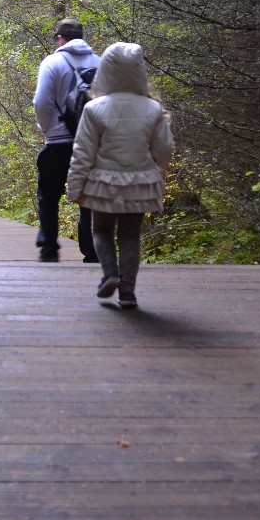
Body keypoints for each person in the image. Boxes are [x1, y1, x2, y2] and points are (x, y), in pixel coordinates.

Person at [66, 42, 175, 309]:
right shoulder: (151, 108)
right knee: (130, 236)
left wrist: (74, 187)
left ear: (105, 71)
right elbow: (165, 149)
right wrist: (157, 172)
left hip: (103, 184)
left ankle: (109, 273)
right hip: (139, 183)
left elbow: (83, 154)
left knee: (101, 229)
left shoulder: (94, 108)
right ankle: (128, 292)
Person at [32, 17, 100, 263]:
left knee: (48, 195)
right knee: (89, 196)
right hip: (91, 141)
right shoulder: (100, 62)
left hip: (58, 141)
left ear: (60, 39)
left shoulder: (52, 62)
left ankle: (50, 248)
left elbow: (41, 102)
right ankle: (92, 251)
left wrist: (48, 128)